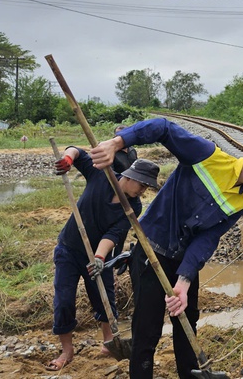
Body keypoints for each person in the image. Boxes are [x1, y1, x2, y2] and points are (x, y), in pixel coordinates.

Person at [89, 118, 243, 379]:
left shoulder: (240, 202)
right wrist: (117, 143)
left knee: (186, 322)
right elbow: (163, 128)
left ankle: (189, 374)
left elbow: (206, 239)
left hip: (183, 260)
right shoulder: (207, 155)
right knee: (147, 327)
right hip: (151, 251)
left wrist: (183, 281)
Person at [48, 149, 160, 372]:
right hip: (69, 249)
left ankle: (109, 343)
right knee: (64, 300)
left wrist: (99, 258)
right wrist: (68, 159)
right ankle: (67, 351)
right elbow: (79, 152)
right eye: (142, 185)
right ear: (130, 177)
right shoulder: (102, 175)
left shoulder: (132, 207)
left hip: (99, 256)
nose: (143, 191)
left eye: (147, 188)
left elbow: (114, 234)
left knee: (104, 298)